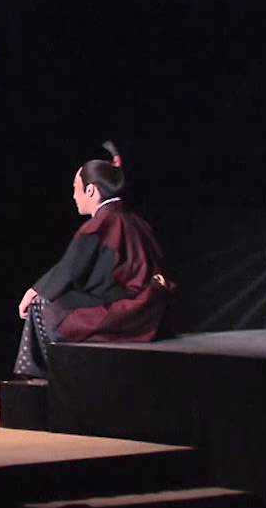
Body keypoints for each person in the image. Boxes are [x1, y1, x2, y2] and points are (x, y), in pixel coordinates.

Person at [13, 142, 173, 379]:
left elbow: (70, 269)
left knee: (43, 305)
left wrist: (34, 291)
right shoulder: (133, 220)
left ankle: (47, 377)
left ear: (91, 191)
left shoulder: (102, 224)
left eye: (76, 188)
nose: (73, 195)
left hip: (132, 309)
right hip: (153, 307)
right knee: (59, 298)